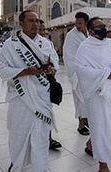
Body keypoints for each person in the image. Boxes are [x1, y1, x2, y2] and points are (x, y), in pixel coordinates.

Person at [0, 11, 56, 172]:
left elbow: (55, 67)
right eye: (31, 21)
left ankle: (40, 167)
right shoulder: (11, 45)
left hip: (42, 96)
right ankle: (16, 164)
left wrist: (51, 70)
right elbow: (1, 70)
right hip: (20, 97)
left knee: (41, 136)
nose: (35, 24)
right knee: (19, 134)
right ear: (21, 23)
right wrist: (26, 71)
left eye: (37, 21)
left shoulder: (45, 43)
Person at [75, 17, 111, 172]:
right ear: (91, 30)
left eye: (104, 25)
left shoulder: (110, 44)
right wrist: (106, 74)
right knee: (100, 127)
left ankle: (90, 145)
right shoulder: (84, 47)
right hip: (95, 94)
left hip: (109, 92)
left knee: (105, 125)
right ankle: (103, 165)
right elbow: (80, 69)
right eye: (99, 26)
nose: (103, 28)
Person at [62, 12, 90, 135]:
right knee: (79, 99)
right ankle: (81, 124)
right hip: (77, 72)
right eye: (76, 23)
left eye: (80, 23)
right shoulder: (71, 36)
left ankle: (87, 120)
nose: (78, 25)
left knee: (88, 99)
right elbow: (68, 55)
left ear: (85, 23)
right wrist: (75, 71)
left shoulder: (89, 33)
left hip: (89, 73)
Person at [38, 19, 63, 151]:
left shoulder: (47, 44)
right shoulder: (21, 45)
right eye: (39, 29)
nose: (41, 32)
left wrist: (53, 68)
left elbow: (55, 60)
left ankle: (48, 138)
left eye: (43, 29)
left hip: (46, 83)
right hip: (30, 86)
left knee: (47, 111)